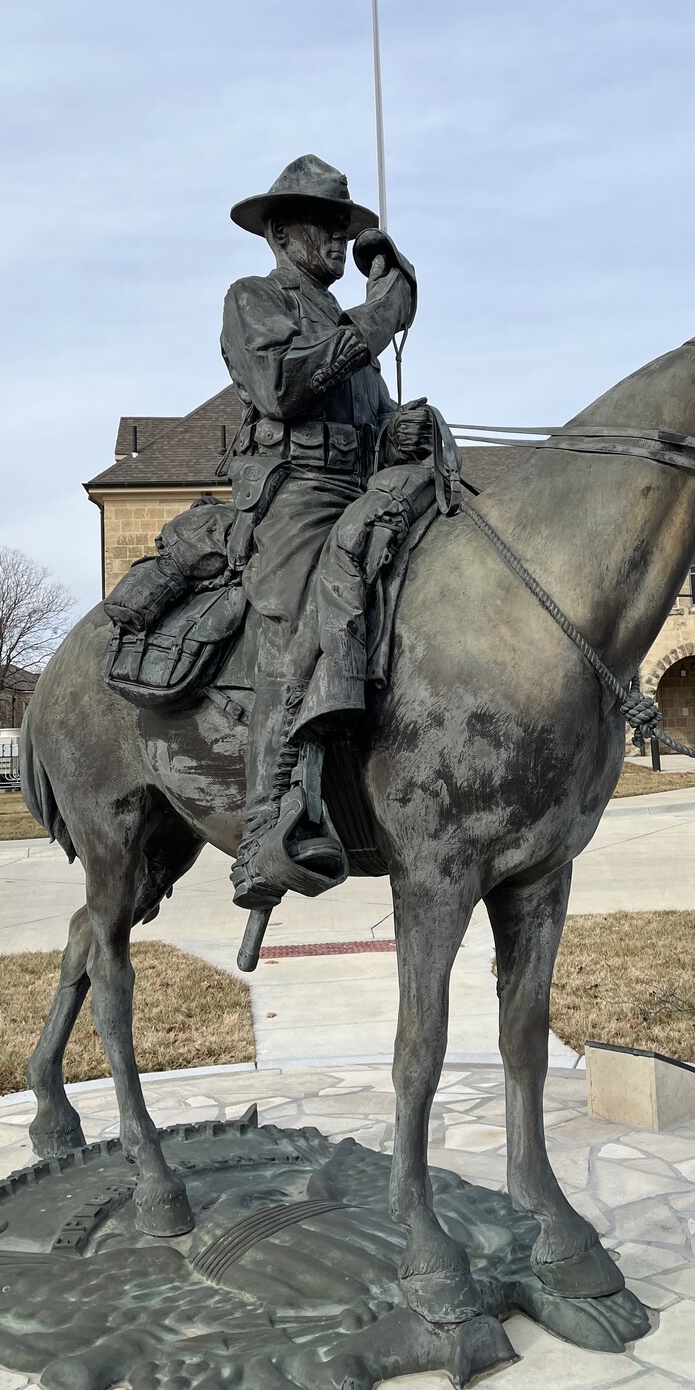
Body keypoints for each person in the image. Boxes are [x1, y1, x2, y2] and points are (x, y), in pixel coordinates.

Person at [221, 155, 429, 911]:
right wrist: (381, 316)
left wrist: (397, 435)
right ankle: (264, 828)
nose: (341, 244)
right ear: (282, 232)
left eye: (347, 231)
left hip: (363, 485)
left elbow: (367, 421)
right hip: (298, 496)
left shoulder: (348, 328)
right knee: (300, 624)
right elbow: (282, 388)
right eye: (327, 229)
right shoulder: (254, 300)